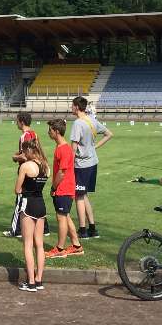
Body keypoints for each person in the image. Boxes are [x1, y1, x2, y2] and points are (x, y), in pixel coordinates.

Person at [70, 95, 112, 239]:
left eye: (72, 105)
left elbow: (73, 148)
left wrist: (67, 166)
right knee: (84, 194)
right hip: (93, 162)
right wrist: (94, 148)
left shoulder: (77, 123)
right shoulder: (92, 120)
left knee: (79, 197)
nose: (71, 108)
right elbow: (108, 134)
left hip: (81, 165)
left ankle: (82, 230)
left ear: (76, 107)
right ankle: (92, 228)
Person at [46, 119, 84, 258]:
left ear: (56, 132)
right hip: (65, 188)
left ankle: (59, 249)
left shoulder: (63, 149)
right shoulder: (62, 147)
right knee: (66, 217)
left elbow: (62, 172)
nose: (48, 133)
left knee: (61, 218)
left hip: (63, 189)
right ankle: (76, 246)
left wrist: (54, 187)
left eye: (50, 130)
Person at [15, 139, 49, 291]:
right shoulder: (45, 166)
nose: (22, 154)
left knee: (28, 245)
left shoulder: (26, 166)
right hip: (41, 204)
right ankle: (39, 280)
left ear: (29, 150)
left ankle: (31, 282)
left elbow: (17, 189)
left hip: (28, 204)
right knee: (39, 245)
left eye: (23, 151)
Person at [6, 112, 44, 238]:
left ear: (21, 122)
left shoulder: (24, 136)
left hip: (27, 169)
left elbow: (24, 155)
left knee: (20, 199)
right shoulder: (34, 134)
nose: (16, 123)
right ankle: (45, 228)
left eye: (17, 121)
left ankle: (15, 230)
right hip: (38, 168)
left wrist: (14, 157)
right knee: (36, 195)